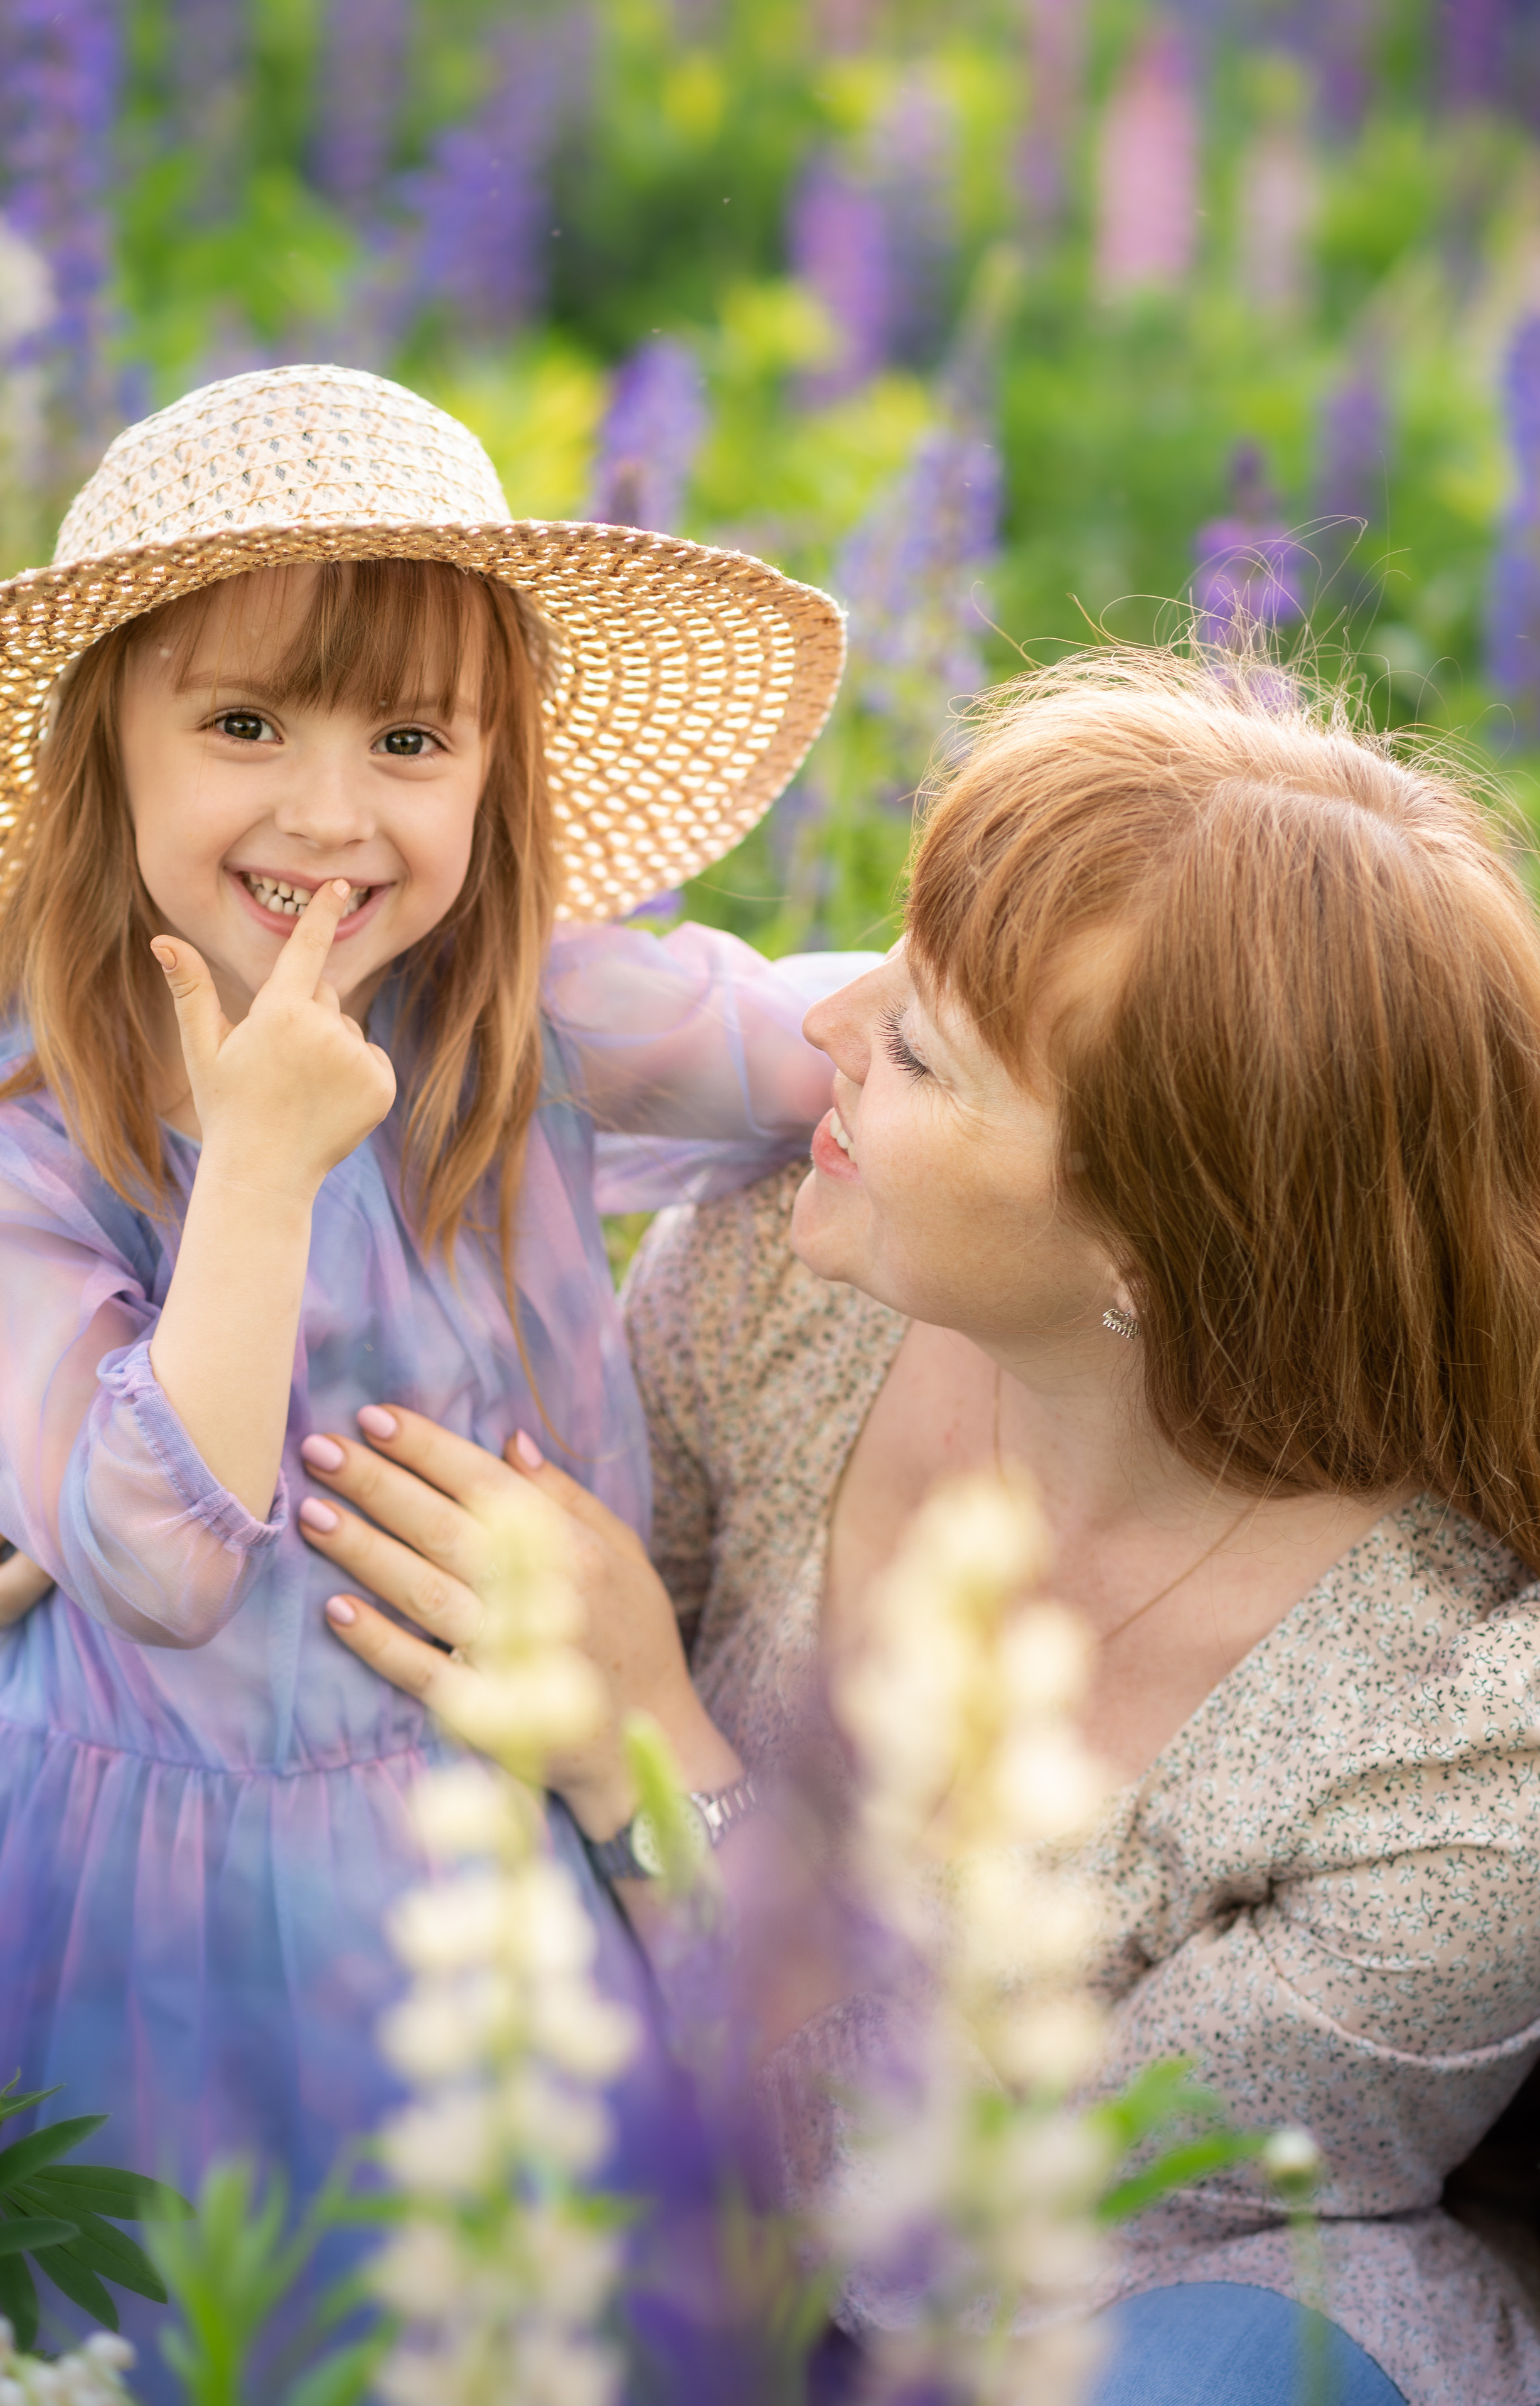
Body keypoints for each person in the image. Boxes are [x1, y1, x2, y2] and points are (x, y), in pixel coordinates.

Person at [307, 653, 1540, 2406]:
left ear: (1148, 1248)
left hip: (1152, 2324)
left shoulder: (1481, 1750)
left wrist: (655, 1758)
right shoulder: (790, 1272)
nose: (818, 1030)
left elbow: (1024, 2225)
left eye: (921, 1046)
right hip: (693, 2178)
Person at [0, 361, 872, 2366]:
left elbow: (804, 1039)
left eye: (410, 736)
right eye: (242, 723)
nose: (329, 811)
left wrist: (1084, 968)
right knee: (181, 2341)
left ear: (497, 772)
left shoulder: (522, 1021)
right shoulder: (42, 1142)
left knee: (499, 2331)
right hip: (143, 1902)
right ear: (100, 758)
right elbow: (155, 1548)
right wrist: (263, 1170)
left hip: (488, 1858)